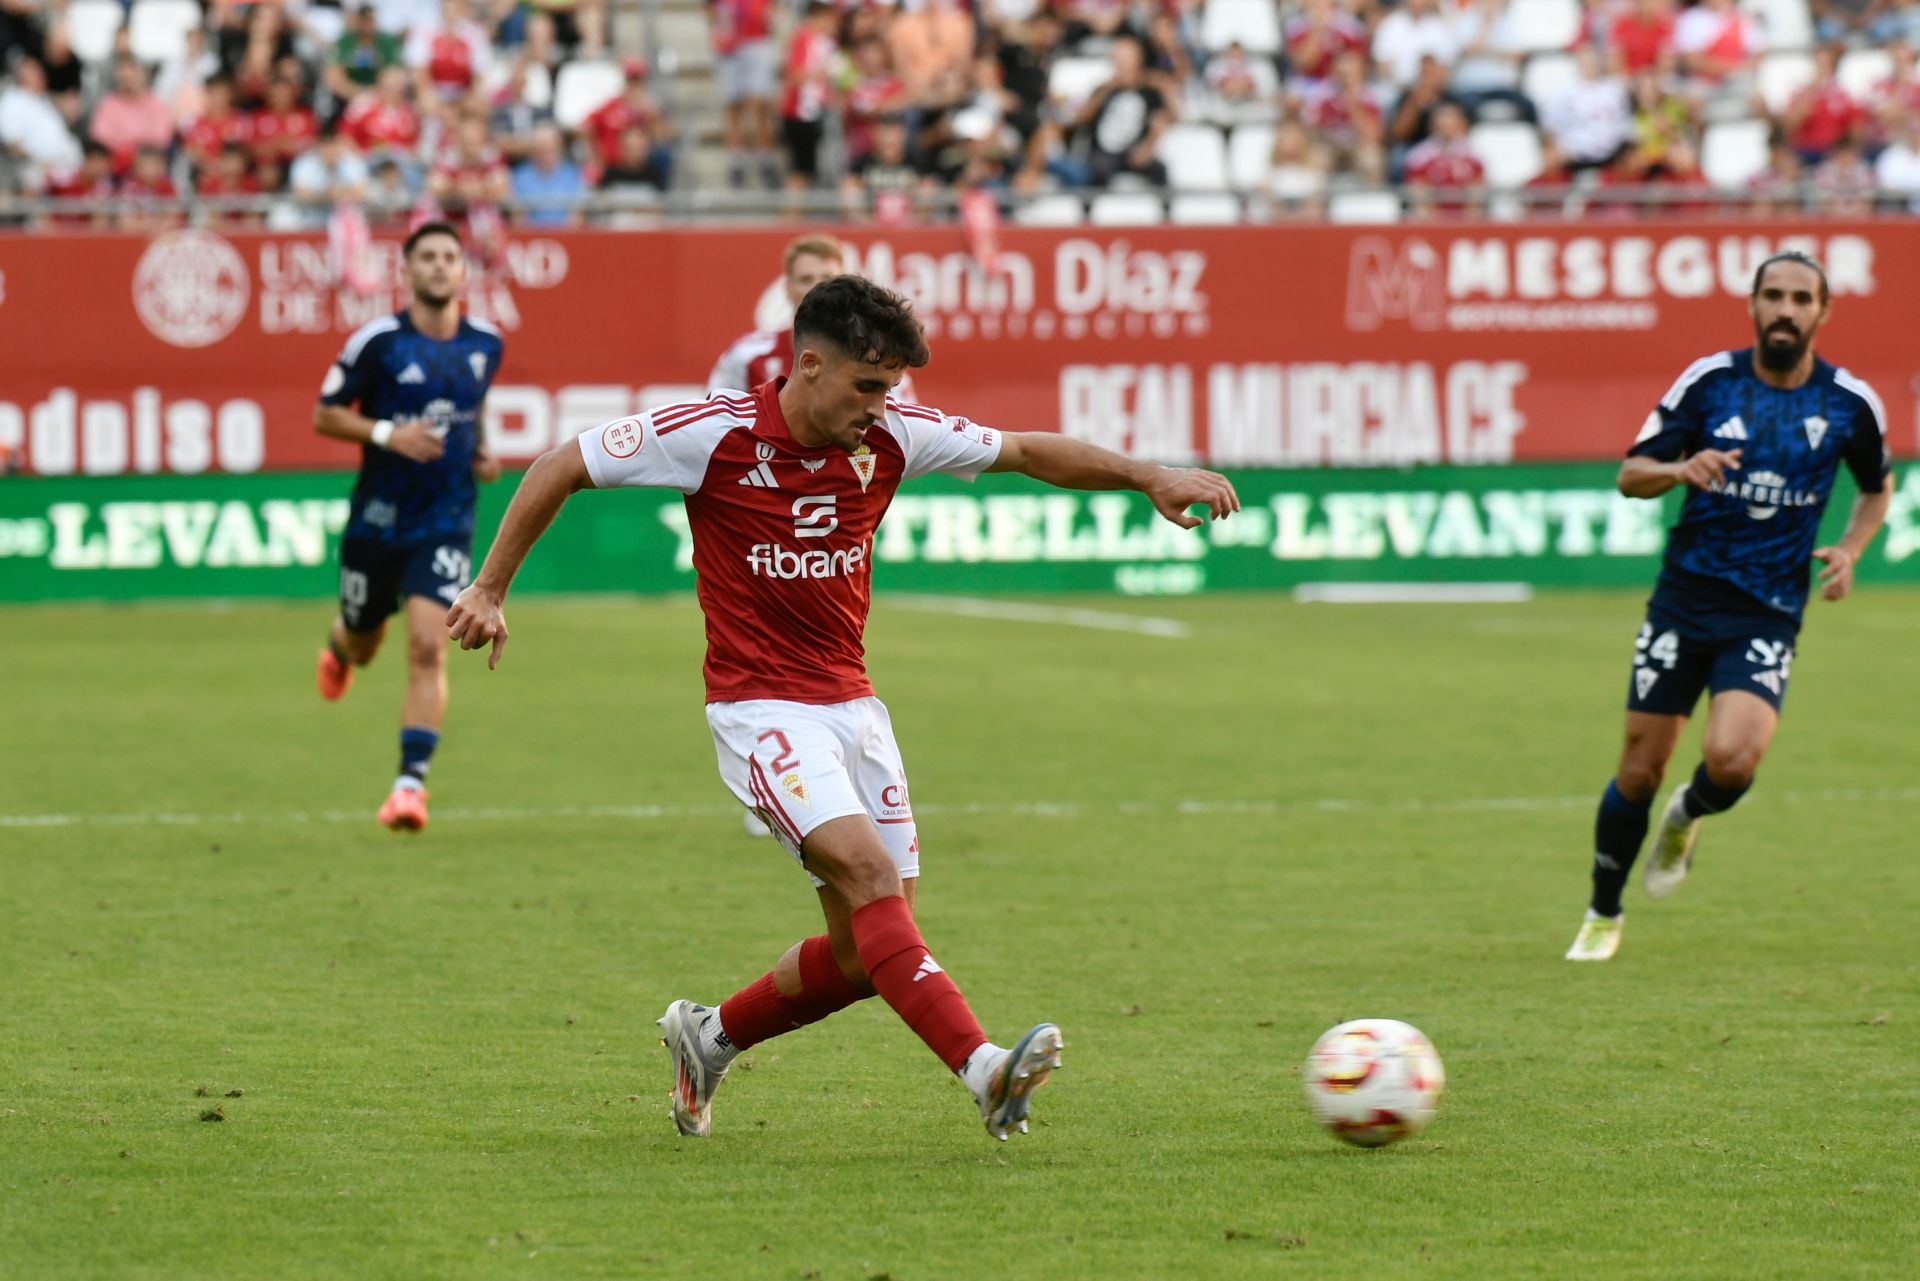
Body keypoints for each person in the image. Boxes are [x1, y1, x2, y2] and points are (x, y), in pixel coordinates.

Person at [446, 275, 1240, 1139]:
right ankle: (985, 1070)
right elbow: (564, 463)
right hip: (760, 710)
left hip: (855, 709)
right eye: (868, 386)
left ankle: (708, 1035)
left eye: (889, 387)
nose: (881, 404)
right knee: (869, 879)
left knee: (866, 954)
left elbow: (1024, 451)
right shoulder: (713, 433)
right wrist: (489, 587)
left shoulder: (895, 433)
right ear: (809, 364)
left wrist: (1148, 476)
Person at [1565, 252, 1890, 961]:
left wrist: (1851, 548)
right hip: (1685, 602)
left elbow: (1876, 487)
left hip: (1768, 609)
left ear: (1822, 312)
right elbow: (1631, 474)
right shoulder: (1711, 382)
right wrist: (1682, 467)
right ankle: (1602, 909)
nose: (1785, 308)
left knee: (1733, 759)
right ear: (1752, 304)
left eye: (1800, 298)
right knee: (1639, 768)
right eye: (1772, 295)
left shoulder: (1850, 403)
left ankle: (1688, 814)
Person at [313, 222, 506, 832]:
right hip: (377, 520)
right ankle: (342, 646)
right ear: (408, 269)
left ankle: (408, 787)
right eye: (428, 257)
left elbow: (471, 409)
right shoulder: (378, 342)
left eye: (451, 257)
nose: (441, 266)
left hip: (446, 517)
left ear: (462, 271)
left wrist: (480, 449)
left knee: (428, 648)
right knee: (366, 643)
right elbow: (325, 415)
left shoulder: (486, 342)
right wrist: (387, 434)